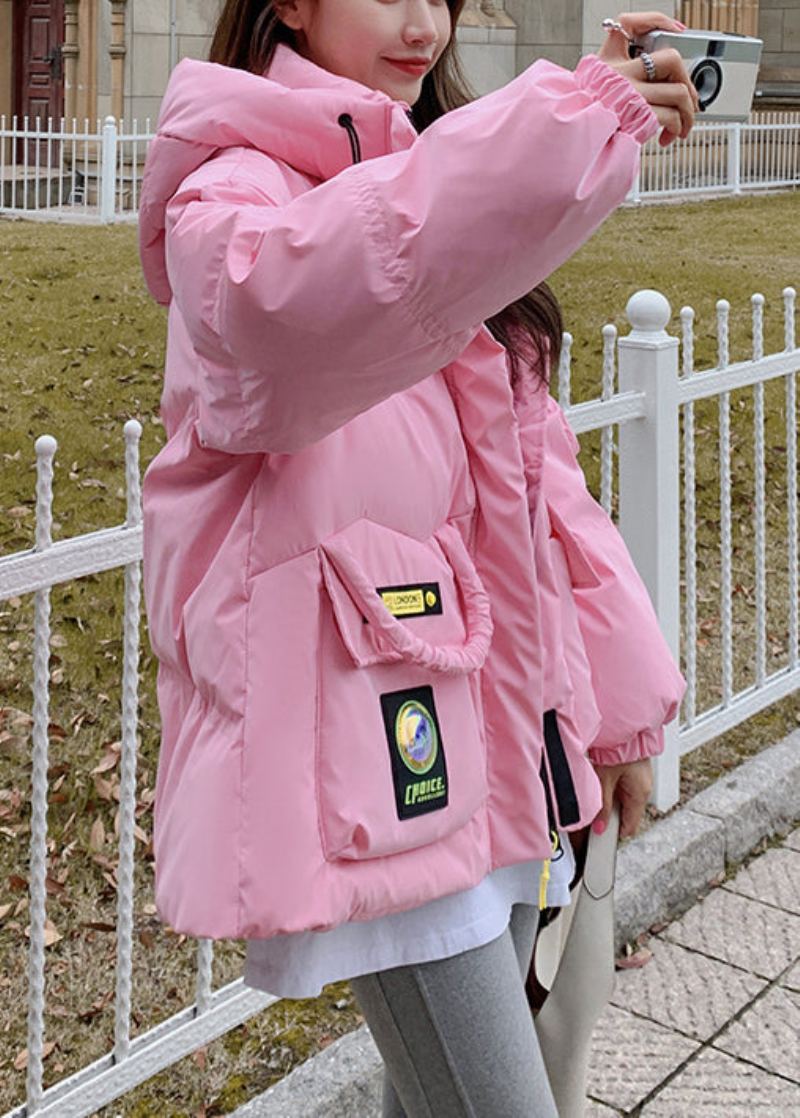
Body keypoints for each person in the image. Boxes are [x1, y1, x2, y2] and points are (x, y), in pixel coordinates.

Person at [137, 3, 691, 1113]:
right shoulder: (231, 193)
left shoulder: (436, 175)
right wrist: (565, 128)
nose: (421, 24)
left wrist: (618, 714)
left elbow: (548, 499)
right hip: (372, 755)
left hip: (498, 746)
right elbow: (292, 296)